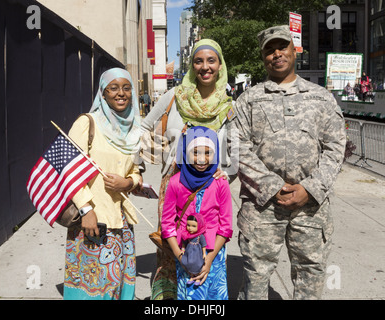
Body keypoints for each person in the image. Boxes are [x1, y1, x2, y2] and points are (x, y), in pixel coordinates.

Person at [227, 25, 346, 300]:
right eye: (269, 50)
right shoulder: (249, 100)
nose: (276, 54)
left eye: (282, 47)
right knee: (256, 276)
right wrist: (271, 185)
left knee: (311, 275)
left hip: (311, 208)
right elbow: (236, 144)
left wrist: (310, 188)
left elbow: (336, 146)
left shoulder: (321, 98)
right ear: (263, 57)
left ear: (295, 51)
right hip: (262, 206)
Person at [140, 39, 235, 300]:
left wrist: (228, 173)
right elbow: (143, 127)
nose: (205, 67)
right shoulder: (174, 96)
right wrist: (144, 159)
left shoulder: (227, 107)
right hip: (174, 184)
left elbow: (235, 148)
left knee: (207, 241)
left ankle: (204, 293)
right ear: (192, 65)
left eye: (211, 60)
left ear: (220, 65)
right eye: (198, 61)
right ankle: (169, 296)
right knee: (170, 244)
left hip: (211, 189)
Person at [64, 68, 142, 300]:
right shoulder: (87, 123)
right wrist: (86, 209)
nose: (121, 93)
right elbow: (69, 169)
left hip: (122, 222)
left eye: (126, 88)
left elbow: (136, 171)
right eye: (113, 88)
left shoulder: (133, 129)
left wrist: (128, 182)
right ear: (103, 93)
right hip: (93, 220)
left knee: (119, 285)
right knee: (93, 286)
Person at [161, 126, 233, 300]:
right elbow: (167, 223)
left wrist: (209, 259)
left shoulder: (220, 183)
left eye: (208, 153)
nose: (202, 159)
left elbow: (226, 226)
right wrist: (180, 257)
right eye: (195, 152)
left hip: (213, 252)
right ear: (185, 153)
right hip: (186, 253)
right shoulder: (175, 183)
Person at [181, 214, 207, 285]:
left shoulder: (200, 236)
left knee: (198, 264)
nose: (190, 228)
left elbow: (203, 245)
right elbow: (184, 242)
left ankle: (198, 278)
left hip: (197, 253)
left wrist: (204, 253)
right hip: (189, 252)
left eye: (193, 226)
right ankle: (192, 276)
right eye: (188, 225)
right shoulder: (187, 235)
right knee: (189, 263)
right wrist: (183, 249)